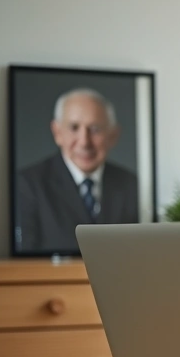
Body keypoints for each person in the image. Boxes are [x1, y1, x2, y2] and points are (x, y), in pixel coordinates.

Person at [15, 88, 139, 252]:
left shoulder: (131, 184)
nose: (84, 142)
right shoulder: (28, 184)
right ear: (57, 132)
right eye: (74, 127)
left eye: (95, 129)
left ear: (113, 135)